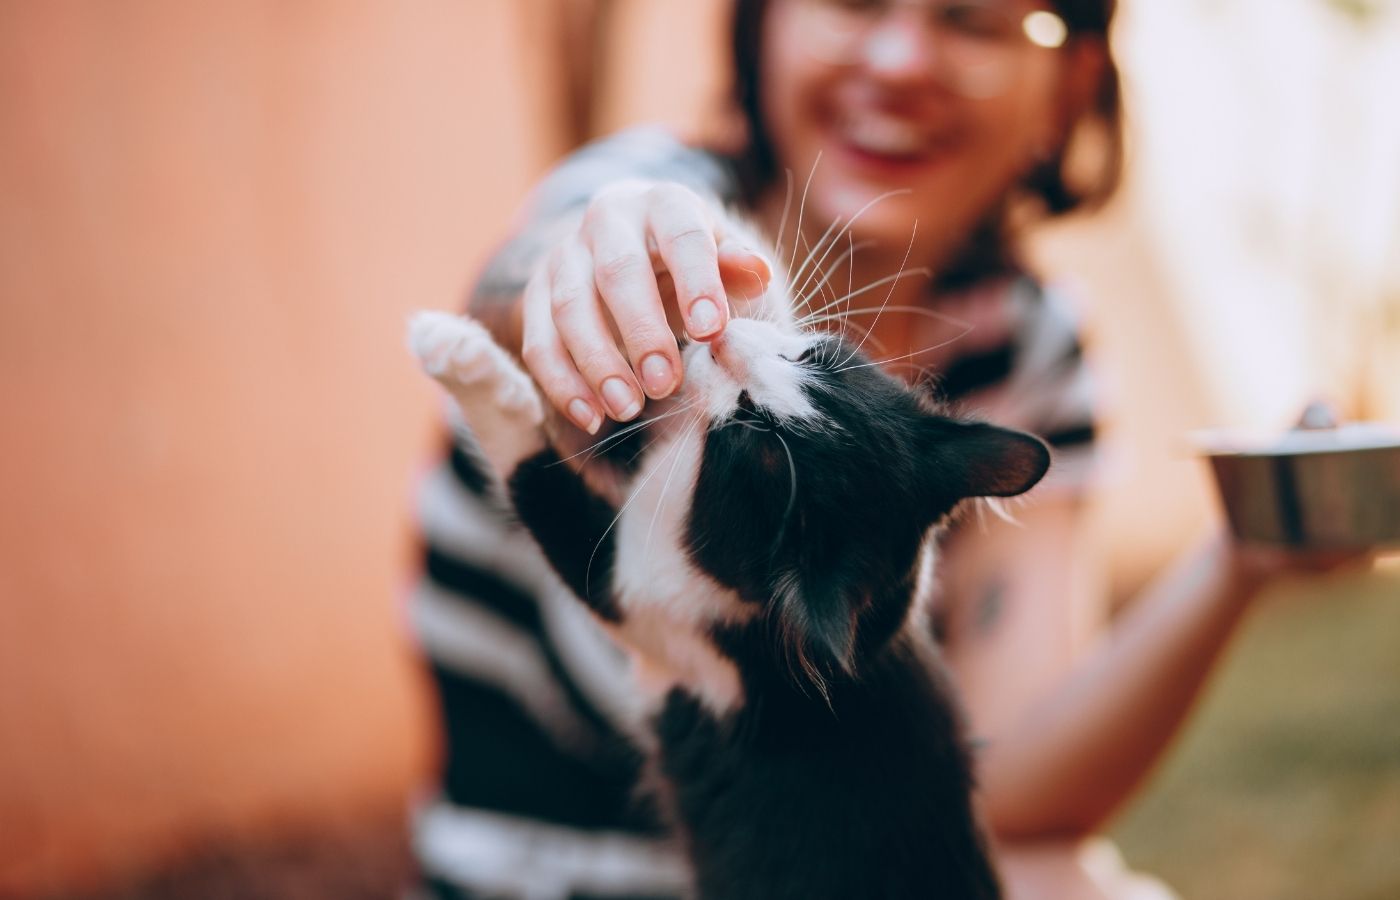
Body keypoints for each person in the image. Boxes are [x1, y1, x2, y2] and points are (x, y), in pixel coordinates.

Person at [407, 2, 1361, 897]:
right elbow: (526, 276)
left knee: (1075, 877)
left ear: (1069, 83)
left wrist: (1241, 558)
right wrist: (577, 282)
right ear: (763, 23)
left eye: (972, 17)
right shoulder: (652, 207)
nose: (902, 61)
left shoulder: (1024, 341)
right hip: (559, 874)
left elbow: (1015, 787)